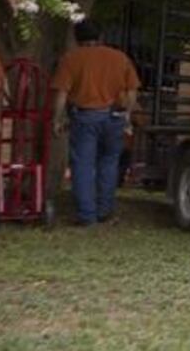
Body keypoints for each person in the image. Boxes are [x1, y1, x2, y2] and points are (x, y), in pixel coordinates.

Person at [50, 20, 141, 226]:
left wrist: (58, 118)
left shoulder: (71, 59)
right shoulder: (119, 58)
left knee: (83, 165)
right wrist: (127, 114)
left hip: (85, 117)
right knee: (109, 163)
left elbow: (62, 93)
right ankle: (104, 211)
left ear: (76, 39)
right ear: (101, 37)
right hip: (115, 117)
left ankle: (86, 216)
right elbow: (132, 90)